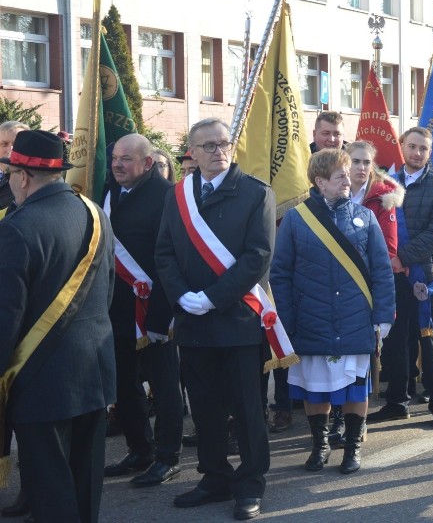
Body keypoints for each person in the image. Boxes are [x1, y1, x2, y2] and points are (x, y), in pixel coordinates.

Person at [155, 118, 275, 521]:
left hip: (237, 321)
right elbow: (164, 252)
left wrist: (212, 297)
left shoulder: (256, 193)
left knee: (246, 409)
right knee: (204, 406)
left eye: (223, 143)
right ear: (192, 152)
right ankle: (214, 476)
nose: (217, 151)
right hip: (193, 322)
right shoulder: (178, 195)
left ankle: (250, 484)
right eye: (207, 146)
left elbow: (257, 256)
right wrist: (182, 296)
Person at [0, 129, 116, 523]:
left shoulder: (16, 227)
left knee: (50, 491)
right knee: (85, 484)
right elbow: (109, 289)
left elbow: (5, 317)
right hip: (95, 371)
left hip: (39, 381)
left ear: (23, 176)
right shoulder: (95, 213)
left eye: (9, 173)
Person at [271, 149, 395, 475]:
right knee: (316, 388)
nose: (348, 178)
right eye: (340, 174)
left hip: (355, 319)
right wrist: (285, 321)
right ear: (320, 181)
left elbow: (381, 271)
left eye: (348, 172)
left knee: (355, 388)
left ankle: (352, 448)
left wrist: (384, 316)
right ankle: (320, 445)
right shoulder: (297, 219)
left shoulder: (365, 217)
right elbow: (280, 274)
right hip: (310, 319)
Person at [103, 134, 184, 488]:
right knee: (124, 384)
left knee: (165, 387)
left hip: (155, 309)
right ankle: (140, 449)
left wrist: (163, 315)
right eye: (115, 158)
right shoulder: (107, 191)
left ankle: (169, 457)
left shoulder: (166, 197)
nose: (118, 165)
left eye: (126, 159)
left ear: (148, 163)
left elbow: (172, 259)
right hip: (115, 308)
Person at [367, 127, 433, 429]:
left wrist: (402, 258)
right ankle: (396, 402)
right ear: (402, 146)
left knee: (429, 342)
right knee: (394, 341)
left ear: (430, 153)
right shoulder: (385, 185)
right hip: (391, 275)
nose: (417, 153)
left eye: (424, 149)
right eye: (412, 146)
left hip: (424, 276)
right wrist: (389, 260)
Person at [317, 140, 403, 444]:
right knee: (331, 362)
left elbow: (387, 251)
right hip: (328, 295)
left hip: (360, 293)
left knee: (355, 365)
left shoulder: (382, 199)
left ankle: (354, 422)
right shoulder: (324, 200)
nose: (362, 168)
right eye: (355, 162)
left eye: (367, 162)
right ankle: (335, 420)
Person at [0, 121, 29, 218]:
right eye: (4, 144)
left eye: (16, 144)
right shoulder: (4, 177)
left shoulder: (31, 184)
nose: (10, 150)